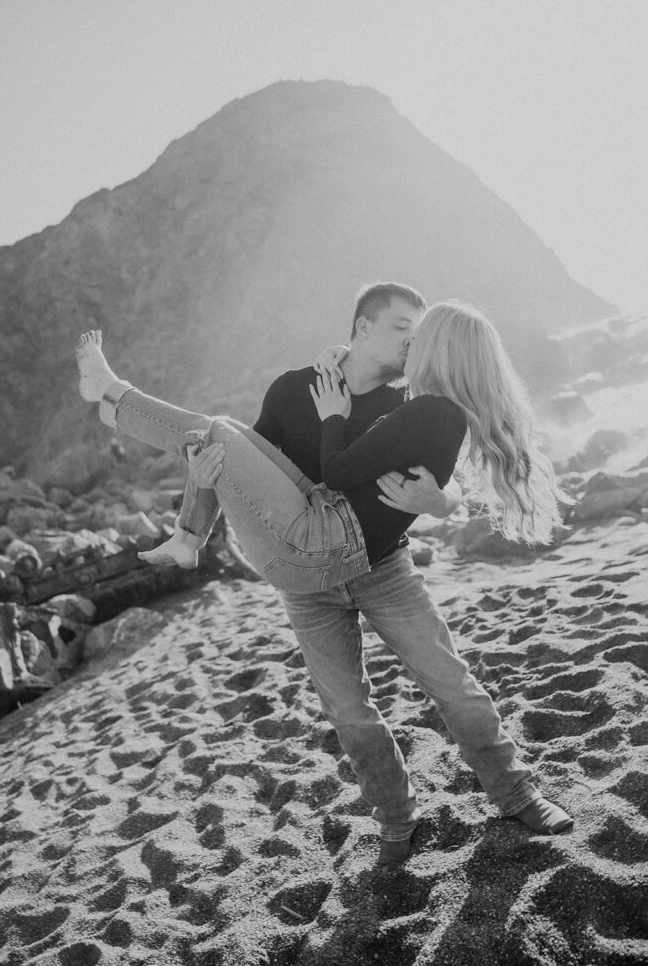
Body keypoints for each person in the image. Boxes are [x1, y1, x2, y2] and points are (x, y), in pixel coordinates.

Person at [76, 282, 573, 870]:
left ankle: (518, 794)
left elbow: (448, 459)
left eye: (419, 330)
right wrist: (200, 486)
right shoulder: (293, 389)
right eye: (399, 327)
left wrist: (444, 503)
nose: (412, 339)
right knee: (349, 710)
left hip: (383, 566)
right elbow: (241, 462)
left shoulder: (408, 398)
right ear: (360, 328)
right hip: (306, 574)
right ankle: (396, 822)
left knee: (451, 683)